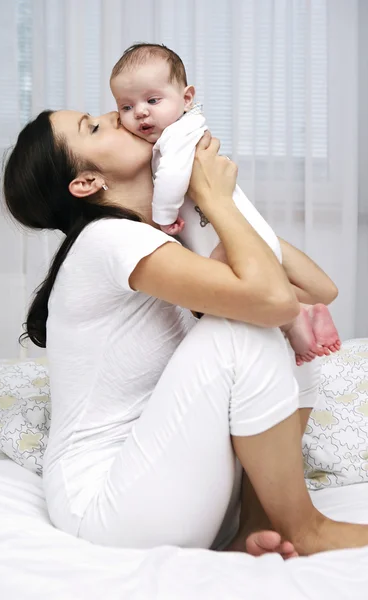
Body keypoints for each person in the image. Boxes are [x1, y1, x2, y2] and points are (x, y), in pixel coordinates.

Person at [3, 107, 368, 558]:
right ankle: (304, 526)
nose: (115, 116)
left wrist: (213, 204)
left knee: (286, 332)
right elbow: (274, 301)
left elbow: (317, 290)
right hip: (105, 508)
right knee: (244, 329)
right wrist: (215, 200)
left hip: (170, 487)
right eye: (93, 127)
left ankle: (256, 525)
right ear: (86, 183)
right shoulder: (108, 238)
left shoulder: (169, 236)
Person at [110, 43, 341, 366]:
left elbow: (175, 176)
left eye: (152, 100)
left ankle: (297, 319)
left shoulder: (177, 135)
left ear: (186, 98)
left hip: (230, 236)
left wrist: (163, 216)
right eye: (126, 107)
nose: (140, 113)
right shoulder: (175, 136)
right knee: (247, 301)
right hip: (239, 233)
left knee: (240, 297)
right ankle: (304, 313)